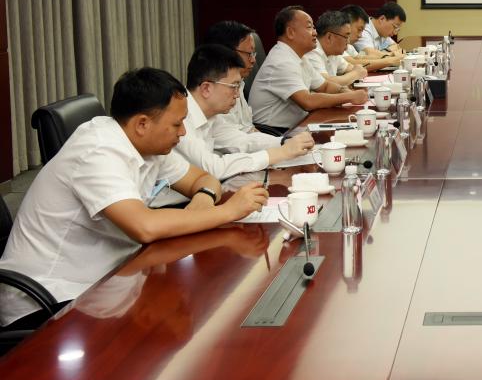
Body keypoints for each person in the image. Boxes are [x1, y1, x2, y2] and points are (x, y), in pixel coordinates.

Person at [0, 68, 269, 327]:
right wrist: (229, 211)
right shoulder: (98, 151)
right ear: (142, 124)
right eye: (177, 124)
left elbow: (204, 179)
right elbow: (144, 227)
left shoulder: (147, 144)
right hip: (52, 298)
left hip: (111, 280)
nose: (183, 132)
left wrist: (204, 199)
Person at [174, 44, 314, 180]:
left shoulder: (211, 115)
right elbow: (213, 168)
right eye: (233, 86)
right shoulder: (178, 119)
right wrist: (280, 153)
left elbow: (242, 141)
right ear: (206, 88)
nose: (237, 94)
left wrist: (284, 142)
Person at [249, 5, 369, 131]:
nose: (315, 32)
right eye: (309, 27)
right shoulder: (281, 61)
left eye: (314, 27)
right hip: (275, 132)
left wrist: (345, 91)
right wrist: (350, 97)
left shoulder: (300, 57)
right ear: (290, 32)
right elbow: (308, 101)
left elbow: (325, 86)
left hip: (299, 124)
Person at [203, 20, 282, 152]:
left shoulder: (239, 84)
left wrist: (281, 143)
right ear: (226, 53)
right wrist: (283, 143)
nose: (253, 60)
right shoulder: (214, 92)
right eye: (249, 54)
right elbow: (236, 142)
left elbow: (249, 129)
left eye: (254, 54)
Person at [303, 10, 367, 88]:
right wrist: (355, 74)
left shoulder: (333, 51)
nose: (348, 41)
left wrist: (357, 71)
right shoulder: (312, 51)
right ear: (329, 37)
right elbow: (325, 83)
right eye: (346, 36)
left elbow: (351, 68)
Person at [340, 4, 402, 72]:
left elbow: (362, 58)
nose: (361, 36)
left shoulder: (349, 47)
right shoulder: (337, 45)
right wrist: (391, 60)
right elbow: (354, 63)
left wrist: (390, 56)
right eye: (359, 30)